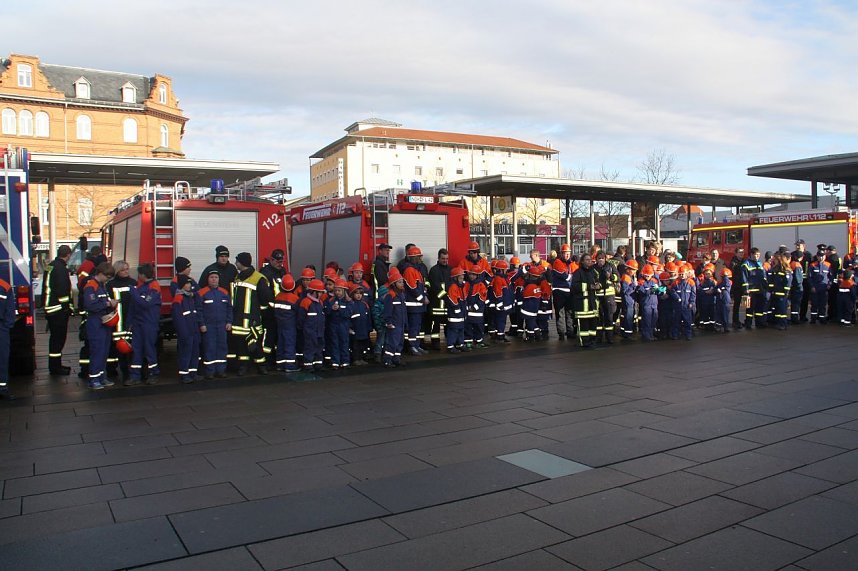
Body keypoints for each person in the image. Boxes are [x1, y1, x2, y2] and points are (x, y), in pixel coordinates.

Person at [231, 252, 271, 375]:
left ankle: (261, 366)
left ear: (242, 263)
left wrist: (258, 314)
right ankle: (243, 366)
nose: (235, 263)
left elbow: (265, 298)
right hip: (238, 319)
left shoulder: (258, 278)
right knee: (240, 344)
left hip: (252, 319)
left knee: (255, 343)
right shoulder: (238, 277)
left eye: (237, 261)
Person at [82, 262, 119, 390]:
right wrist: (108, 304)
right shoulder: (91, 286)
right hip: (96, 322)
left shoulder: (101, 285)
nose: (108, 279)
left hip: (104, 322)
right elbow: (91, 305)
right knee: (97, 351)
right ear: (101, 273)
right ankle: (94, 379)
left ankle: (101, 377)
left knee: (104, 351)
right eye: (107, 276)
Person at [41, 244, 73, 375]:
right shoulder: (61, 269)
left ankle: (55, 365)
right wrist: (68, 307)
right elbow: (62, 291)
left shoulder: (51, 265)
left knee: (55, 339)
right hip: (58, 310)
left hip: (50, 307)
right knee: (58, 339)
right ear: (68, 255)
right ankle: (55, 367)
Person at [128, 263, 161, 385]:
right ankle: (135, 375)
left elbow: (145, 303)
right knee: (137, 349)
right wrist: (130, 322)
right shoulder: (143, 287)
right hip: (139, 323)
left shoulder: (154, 287)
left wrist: (134, 292)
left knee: (149, 349)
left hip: (149, 323)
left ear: (142, 275)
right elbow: (134, 306)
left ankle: (153, 373)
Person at [105, 261, 136, 383]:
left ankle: (133, 373)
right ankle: (120, 373)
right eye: (123, 270)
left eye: (127, 269)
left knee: (132, 348)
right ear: (117, 271)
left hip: (131, 320)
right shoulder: (110, 285)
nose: (126, 271)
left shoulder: (133, 283)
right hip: (118, 322)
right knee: (119, 349)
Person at [199, 269, 232, 379]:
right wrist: (202, 324)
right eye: (212, 277)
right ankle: (210, 372)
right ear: (208, 279)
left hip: (222, 326)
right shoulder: (202, 293)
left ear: (219, 279)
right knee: (209, 348)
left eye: (216, 277)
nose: (214, 279)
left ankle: (221, 370)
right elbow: (199, 310)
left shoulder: (225, 292)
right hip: (209, 326)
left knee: (222, 348)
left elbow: (229, 308)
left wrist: (229, 322)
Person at [172, 274, 203, 383]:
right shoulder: (178, 299)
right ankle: (184, 374)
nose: (189, 285)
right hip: (186, 332)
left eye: (190, 283)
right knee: (185, 353)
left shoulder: (190, 297)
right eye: (187, 283)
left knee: (195, 353)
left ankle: (193, 373)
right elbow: (178, 318)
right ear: (182, 285)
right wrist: (184, 332)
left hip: (194, 330)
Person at [260, 249, 287, 368]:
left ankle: (276, 359)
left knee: (278, 336)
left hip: (281, 311)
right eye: (277, 261)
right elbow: (265, 294)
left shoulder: (283, 271)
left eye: (281, 261)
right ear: (271, 260)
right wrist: (271, 307)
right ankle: (265, 361)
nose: (280, 264)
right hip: (269, 312)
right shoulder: (265, 273)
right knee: (268, 337)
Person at [402, 246, 429, 355]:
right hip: (413, 306)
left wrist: (424, 296)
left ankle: (416, 345)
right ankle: (412, 347)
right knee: (413, 327)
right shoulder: (409, 270)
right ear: (413, 258)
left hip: (418, 306)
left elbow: (419, 287)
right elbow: (412, 288)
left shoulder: (416, 270)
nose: (420, 259)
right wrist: (422, 299)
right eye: (418, 257)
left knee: (417, 327)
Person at [571, 253, 599, 348]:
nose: (589, 261)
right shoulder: (577, 273)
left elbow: (599, 281)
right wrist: (588, 286)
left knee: (593, 324)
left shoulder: (593, 272)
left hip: (592, 303)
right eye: (586, 259)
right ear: (582, 261)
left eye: (590, 259)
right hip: (582, 304)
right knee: (584, 325)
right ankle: (585, 342)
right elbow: (575, 286)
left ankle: (592, 340)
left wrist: (599, 285)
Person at [272, 273, 299, 372]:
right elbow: (298, 312)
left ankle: (280, 364)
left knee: (281, 343)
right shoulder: (294, 298)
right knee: (289, 344)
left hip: (280, 324)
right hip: (290, 325)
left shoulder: (278, 296)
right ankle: (289, 365)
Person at [298, 279, 326, 371]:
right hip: (310, 331)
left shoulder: (320, 303)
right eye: (320, 292)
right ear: (314, 292)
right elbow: (301, 318)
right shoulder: (306, 302)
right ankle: (308, 364)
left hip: (319, 330)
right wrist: (303, 329)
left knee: (319, 347)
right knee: (309, 347)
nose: (321, 294)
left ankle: (318, 364)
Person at [381, 268, 407, 367]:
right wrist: (388, 322)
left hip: (400, 324)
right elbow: (388, 311)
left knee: (400, 342)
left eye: (402, 282)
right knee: (392, 343)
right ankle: (388, 360)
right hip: (394, 324)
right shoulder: (390, 296)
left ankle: (396, 358)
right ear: (394, 283)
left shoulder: (401, 295)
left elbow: (403, 311)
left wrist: (405, 323)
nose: (402, 284)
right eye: (400, 282)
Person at [427, 249, 451, 350]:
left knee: (448, 324)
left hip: (447, 305)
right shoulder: (434, 270)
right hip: (437, 304)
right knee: (435, 325)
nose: (445, 261)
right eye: (443, 259)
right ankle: (435, 343)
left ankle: (450, 342)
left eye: (446, 259)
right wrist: (447, 297)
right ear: (438, 258)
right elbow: (436, 287)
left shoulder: (450, 269)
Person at [550, 244, 576, 341]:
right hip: (559, 291)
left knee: (569, 312)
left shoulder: (569, 263)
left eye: (568, 253)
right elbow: (566, 276)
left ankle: (570, 331)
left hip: (568, 291)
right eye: (565, 253)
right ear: (561, 254)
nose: (567, 255)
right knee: (560, 313)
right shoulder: (557, 262)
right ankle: (561, 333)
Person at [325, 279, 352, 369]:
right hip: (334, 325)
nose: (337, 292)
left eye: (339, 290)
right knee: (334, 343)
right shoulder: (331, 301)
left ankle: (345, 361)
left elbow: (348, 314)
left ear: (344, 291)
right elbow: (327, 312)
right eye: (336, 290)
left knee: (344, 343)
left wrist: (339, 308)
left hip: (344, 325)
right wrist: (331, 309)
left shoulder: (349, 301)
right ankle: (335, 362)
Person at [594, 251, 618, 344]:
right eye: (599, 258)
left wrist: (611, 276)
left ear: (605, 258)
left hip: (608, 296)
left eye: (602, 258)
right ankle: (599, 337)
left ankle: (609, 337)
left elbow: (617, 277)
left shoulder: (611, 266)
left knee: (609, 316)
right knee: (599, 317)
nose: (600, 260)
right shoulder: (594, 268)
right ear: (596, 259)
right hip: (598, 295)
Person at [0, 275, 18, 399]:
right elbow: (10, 310)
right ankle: (2, 388)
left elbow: (10, 311)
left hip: (1, 327)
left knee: (2, 358)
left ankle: (2, 387)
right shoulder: (5, 286)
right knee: (2, 358)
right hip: (2, 327)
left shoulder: (4, 286)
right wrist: (7, 326)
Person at [742, 247, 768, 329]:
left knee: (759, 308)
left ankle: (759, 322)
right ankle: (748, 323)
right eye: (755, 255)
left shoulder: (760, 263)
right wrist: (746, 290)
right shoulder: (746, 264)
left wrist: (766, 287)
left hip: (760, 289)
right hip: (751, 290)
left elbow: (763, 277)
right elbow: (744, 278)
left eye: (758, 255)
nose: (757, 257)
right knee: (750, 309)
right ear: (751, 254)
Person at [464, 265, 489, 348]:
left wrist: (474, 307)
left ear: (478, 275)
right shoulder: (466, 284)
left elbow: (482, 299)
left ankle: (479, 341)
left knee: (478, 327)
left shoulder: (481, 285)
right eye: (471, 274)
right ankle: (468, 342)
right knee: (468, 327)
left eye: (474, 274)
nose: (471, 276)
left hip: (477, 312)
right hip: (468, 311)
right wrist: (467, 306)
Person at [489, 259, 513, 343]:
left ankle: (499, 335)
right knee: (501, 321)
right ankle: (500, 337)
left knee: (500, 321)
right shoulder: (499, 279)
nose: (507, 271)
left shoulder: (503, 278)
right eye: (505, 269)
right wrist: (500, 304)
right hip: (501, 305)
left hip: (503, 304)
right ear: (502, 270)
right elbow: (498, 292)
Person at [348, 283, 372, 365]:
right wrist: (350, 328)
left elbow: (368, 317)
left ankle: (361, 358)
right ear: (352, 294)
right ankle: (355, 359)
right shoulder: (351, 305)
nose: (358, 295)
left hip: (363, 330)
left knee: (362, 345)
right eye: (356, 293)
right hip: (355, 330)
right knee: (355, 346)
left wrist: (369, 327)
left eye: (360, 294)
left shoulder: (365, 305)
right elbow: (349, 318)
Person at [670, 265, 696, 340]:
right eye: (680, 274)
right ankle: (675, 335)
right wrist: (677, 298)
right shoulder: (676, 282)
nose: (681, 275)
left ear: (687, 273)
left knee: (687, 321)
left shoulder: (691, 282)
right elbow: (672, 291)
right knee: (676, 321)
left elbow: (693, 294)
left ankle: (688, 335)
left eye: (683, 274)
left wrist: (692, 302)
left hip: (686, 306)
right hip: (677, 306)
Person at [444, 267, 467, 352]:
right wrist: (458, 311)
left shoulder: (461, 286)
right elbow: (453, 300)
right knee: (453, 330)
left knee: (460, 329)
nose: (462, 279)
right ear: (455, 278)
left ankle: (460, 344)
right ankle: (450, 346)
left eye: (462, 277)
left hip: (460, 313)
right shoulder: (453, 286)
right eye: (460, 277)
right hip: (455, 314)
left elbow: (463, 299)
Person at [768, 253, 792, 330]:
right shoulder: (775, 269)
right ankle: (778, 323)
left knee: (782, 310)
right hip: (775, 293)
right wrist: (771, 290)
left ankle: (783, 324)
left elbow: (788, 282)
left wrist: (786, 292)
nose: (773, 260)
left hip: (782, 294)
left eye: (775, 259)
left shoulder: (786, 270)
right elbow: (772, 281)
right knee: (777, 309)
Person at [808, 249, 831, 324]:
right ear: (817, 257)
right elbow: (809, 277)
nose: (821, 258)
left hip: (824, 288)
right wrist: (812, 286)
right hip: (815, 287)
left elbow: (831, 276)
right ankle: (813, 319)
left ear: (825, 256)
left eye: (823, 256)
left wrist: (829, 284)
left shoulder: (828, 265)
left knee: (823, 304)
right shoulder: (812, 265)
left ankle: (822, 318)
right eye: (819, 256)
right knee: (814, 303)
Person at [637, 264, 660, 342]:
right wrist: (650, 291)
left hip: (654, 304)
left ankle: (651, 334)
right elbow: (641, 291)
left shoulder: (655, 281)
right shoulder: (641, 282)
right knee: (647, 321)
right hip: (646, 304)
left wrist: (660, 291)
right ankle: (646, 335)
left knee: (653, 320)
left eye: (649, 275)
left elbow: (658, 290)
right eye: (646, 275)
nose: (647, 277)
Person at [792, 239, 813, 322]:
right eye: (796, 245)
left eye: (799, 245)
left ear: (804, 246)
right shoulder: (793, 255)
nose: (797, 247)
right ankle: (795, 317)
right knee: (796, 300)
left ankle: (803, 316)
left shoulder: (808, 255)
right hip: (796, 281)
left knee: (805, 299)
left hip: (806, 281)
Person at [619, 259, 638, 339]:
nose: (634, 272)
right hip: (628, 300)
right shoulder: (626, 277)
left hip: (629, 300)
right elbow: (625, 290)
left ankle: (624, 332)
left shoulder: (628, 277)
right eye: (633, 270)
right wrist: (634, 286)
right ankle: (627, 333)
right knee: (628, 317)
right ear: (628, 269)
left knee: (627, 316)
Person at [715, 267, 733, 333]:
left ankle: (725, 327)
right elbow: (716, 289)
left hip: (725, 300)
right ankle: (720, 327)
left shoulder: (728, 282)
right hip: (720, 300)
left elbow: (726, 283)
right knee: (719, 314)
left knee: (724, 314)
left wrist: (725, 276)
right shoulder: (720, 283)